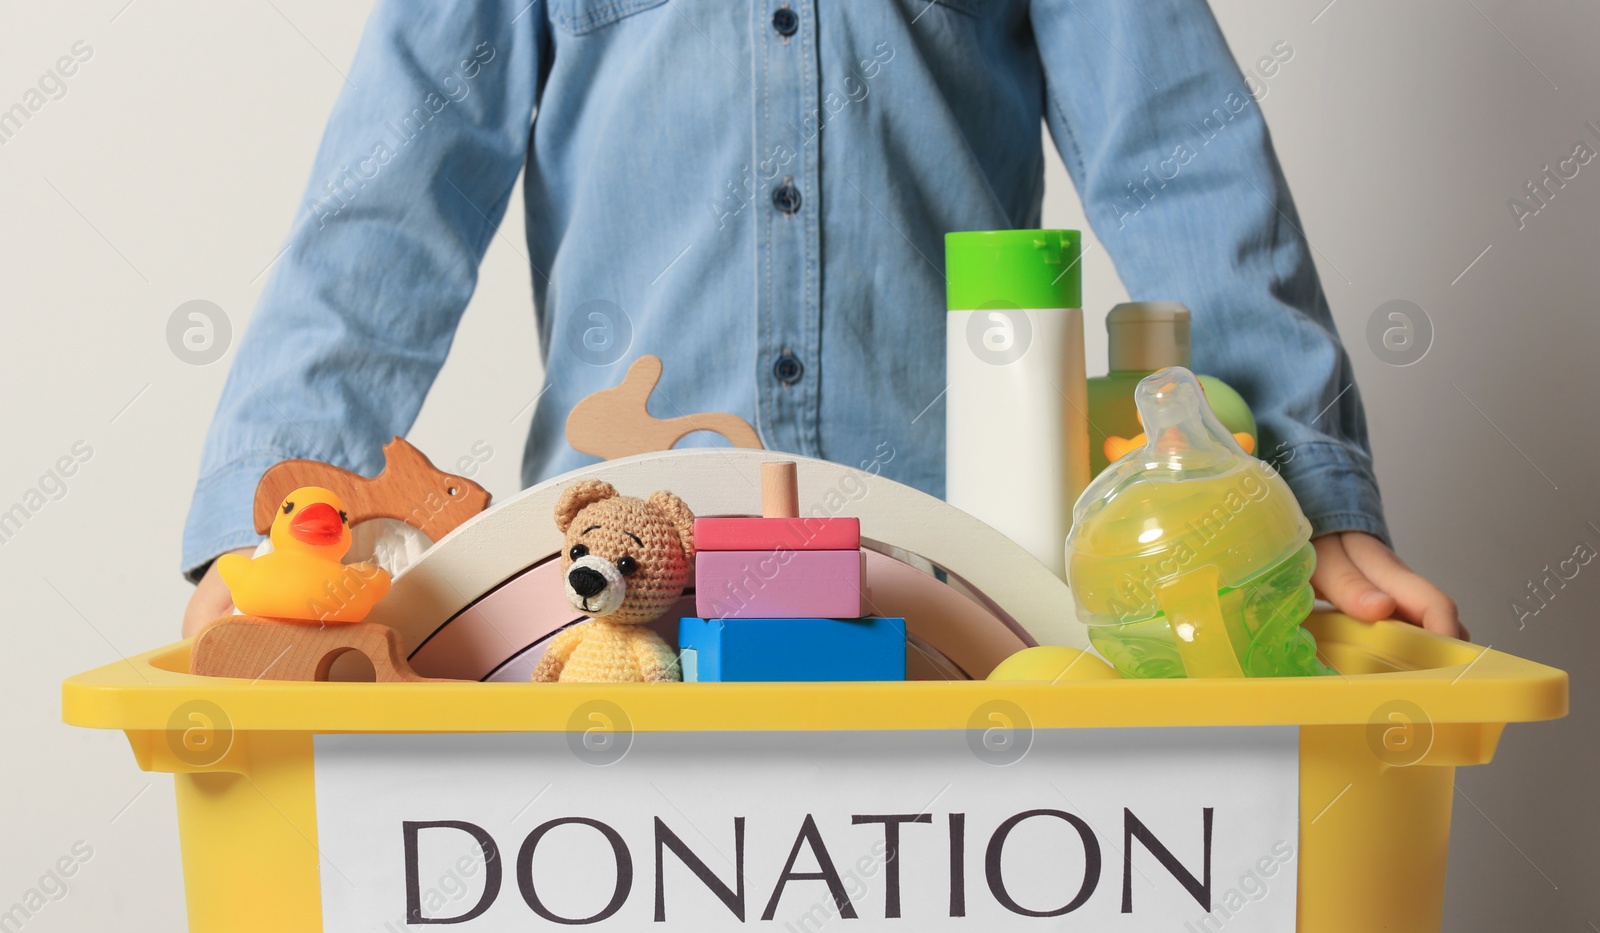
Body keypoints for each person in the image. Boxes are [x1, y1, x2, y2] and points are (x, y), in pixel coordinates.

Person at [182, 0, 1462, 639]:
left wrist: (1306, 497)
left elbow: (1178, 152)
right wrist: (258, 543)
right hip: (613, 601)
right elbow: (389, 199)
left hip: (964, 592)